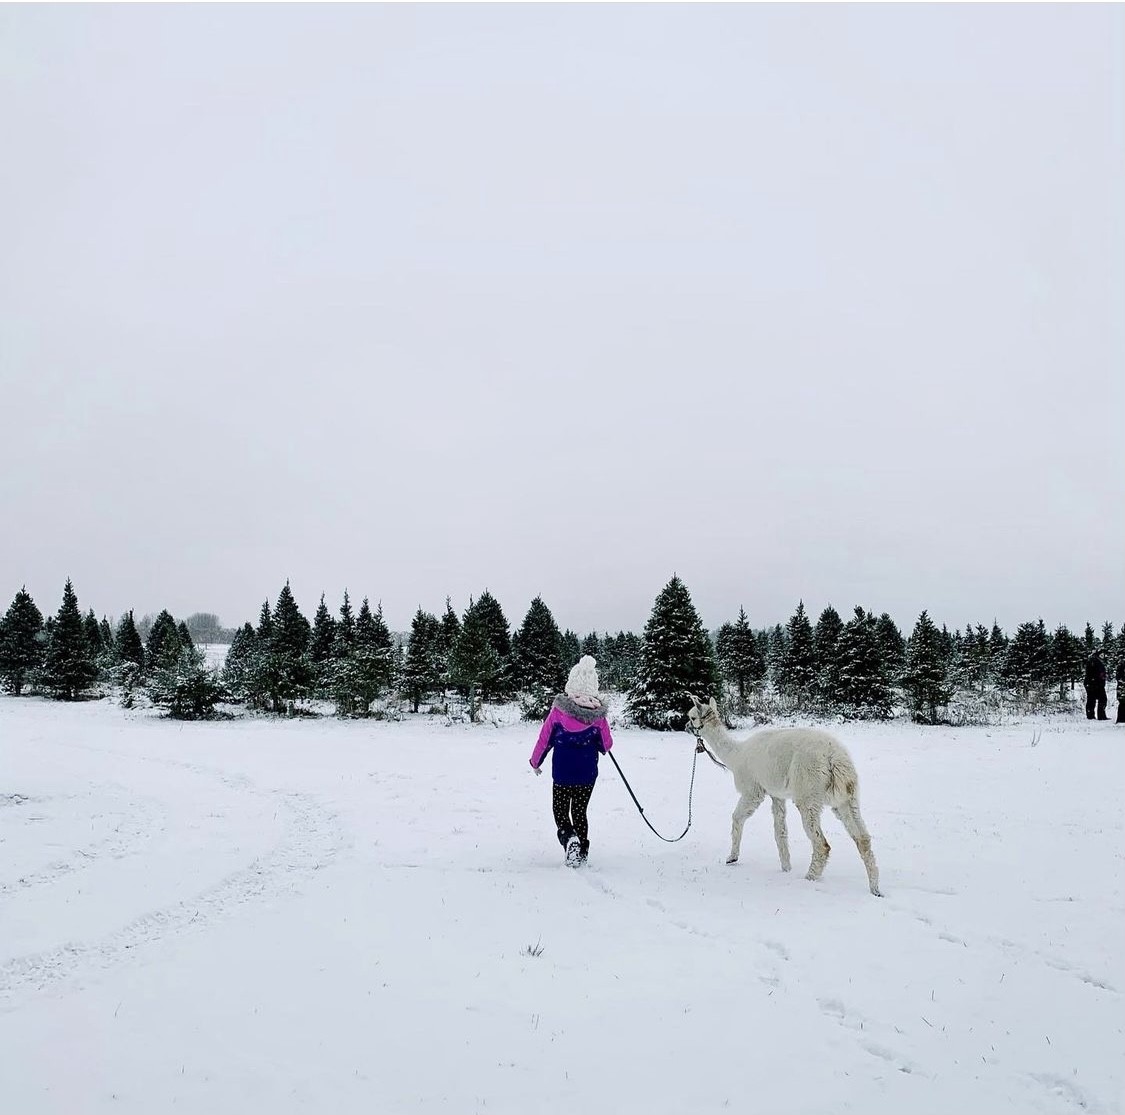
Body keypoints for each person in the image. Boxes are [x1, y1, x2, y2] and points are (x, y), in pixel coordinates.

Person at [529, 655, 614, 866]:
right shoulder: (598, 716)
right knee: (579, 811)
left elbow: (544, 738)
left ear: (571, 685)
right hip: (587, 774)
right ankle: (582, 850)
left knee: (560, 811)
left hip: (562, 773)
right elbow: (606, 745)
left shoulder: (559, 712)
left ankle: (569, 839)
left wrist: (535, 761)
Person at [1084, 650, 1108, 721]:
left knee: (1092, 699)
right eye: (1102, 655)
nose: (1103, 656)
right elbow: (1096, 673)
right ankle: (1100, 716)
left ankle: (1091, 715)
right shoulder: (1095, 661)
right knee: (1101, 699)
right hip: (1095, 684)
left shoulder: (1094, 660)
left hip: (1093, 683)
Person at [1116, 657, 1125, 725]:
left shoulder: (1120, 665)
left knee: (1122, 703)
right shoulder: (1121, 666)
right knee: (1122, 703)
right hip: (1122, 687)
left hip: (1121, 687)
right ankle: (1121, 719)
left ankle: (1121, 719)